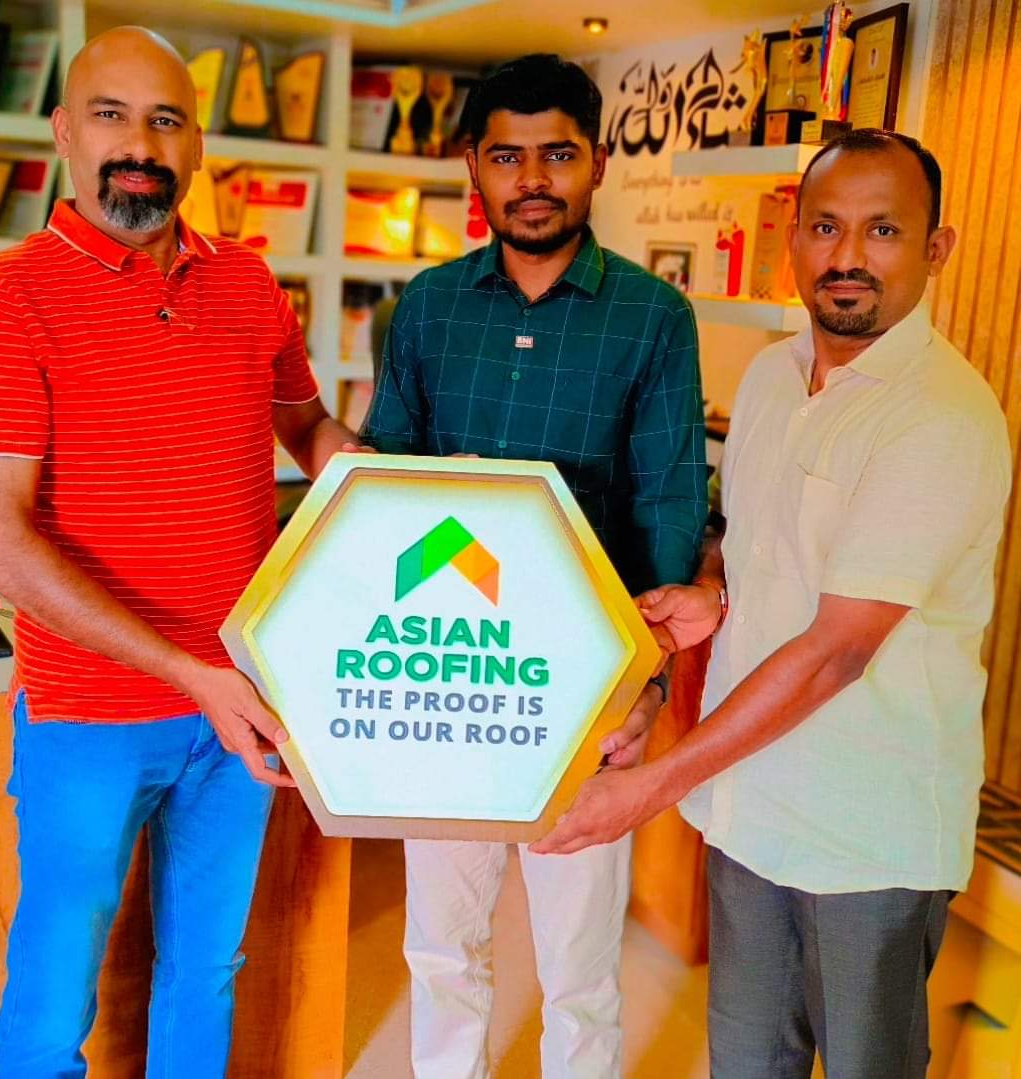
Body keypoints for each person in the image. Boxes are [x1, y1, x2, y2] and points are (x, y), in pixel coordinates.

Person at [532, 130, 1013, 1078]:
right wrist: (714, 594)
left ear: (936, 248)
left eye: (883, 230)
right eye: (826, 227)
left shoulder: (939, 417)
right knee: (748, 1062)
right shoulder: (768, 377)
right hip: (749, 810)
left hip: (869, 835)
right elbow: (754, 544)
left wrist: (649, 787)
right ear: (792, 238)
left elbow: (839, 649)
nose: (848, 255)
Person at [0, 26, 361, 1078]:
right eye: (112, 115)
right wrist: (192, 672)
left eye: (165, 120)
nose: (138, 144)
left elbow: (308, 428)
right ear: (64, 131)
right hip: (89, 713)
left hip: (238, 698)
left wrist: (387, 481)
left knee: (205, 965)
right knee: (56, 982)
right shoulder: (2, 295)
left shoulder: (250, 282)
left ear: (195, 146)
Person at [362, 53, 707, 1079]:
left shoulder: (653, 316)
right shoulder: (429, 306)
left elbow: (668, 503)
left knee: (580, 967)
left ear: (597, 162)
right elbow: (386, 491)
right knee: (441, 947)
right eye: (508, 157)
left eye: (557, 154)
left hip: (584, 689)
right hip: (447, 679)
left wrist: (646, 683)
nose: (533, 179)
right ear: (474, 165)